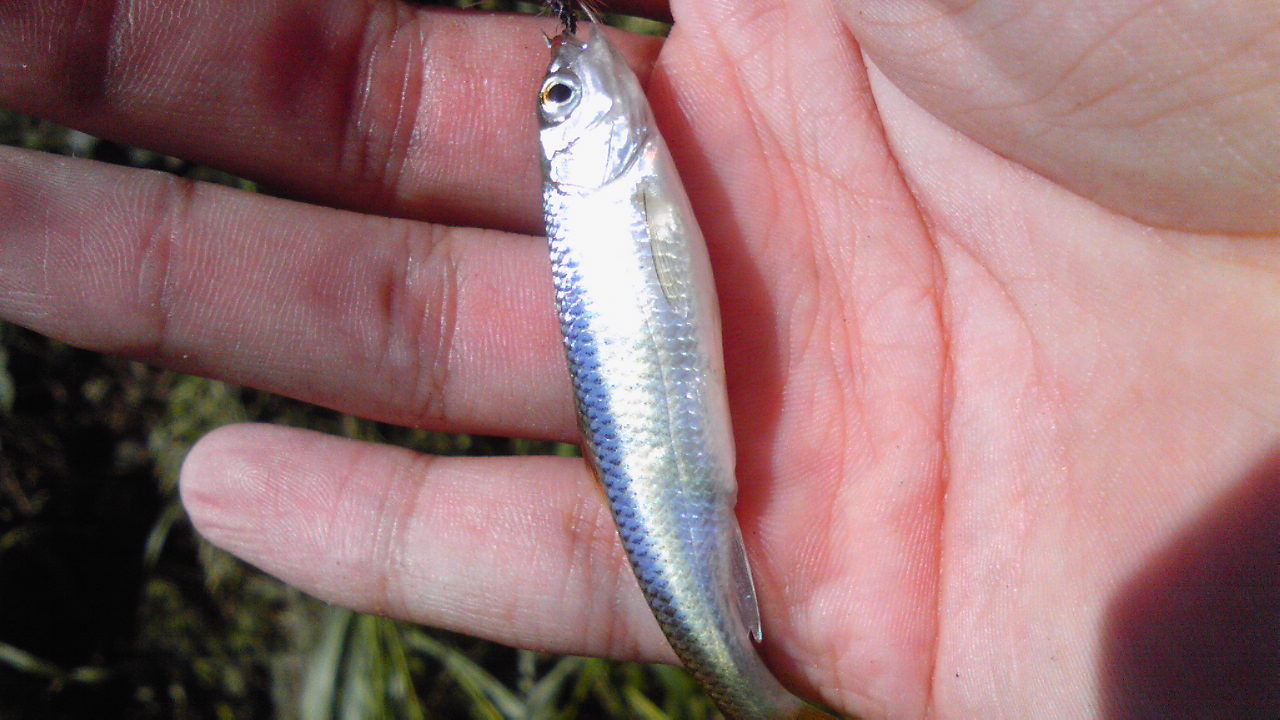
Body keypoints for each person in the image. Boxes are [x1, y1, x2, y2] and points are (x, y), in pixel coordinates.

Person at [1, 1, 1276, 717]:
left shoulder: (615, 166)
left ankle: (750, 684)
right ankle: (747, 681)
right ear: (572, 149)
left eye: (568, 87)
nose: (580, 79)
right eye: (563, 102)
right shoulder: (603, 183)